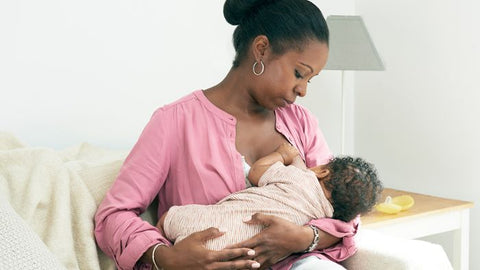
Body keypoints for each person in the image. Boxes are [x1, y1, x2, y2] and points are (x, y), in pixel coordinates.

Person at [94, 0, 360, 269]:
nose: (303, 90)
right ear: (262, 50)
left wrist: (304, 237)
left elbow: (345, 207)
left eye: (309, 80)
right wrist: (166, 257)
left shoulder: (302, 123)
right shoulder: (175, 122)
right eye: (298, 73)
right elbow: (114, 215)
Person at [158, 143, 383, 251]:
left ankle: (160, 241)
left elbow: (257, 172)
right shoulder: (324, 215)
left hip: (209, 224)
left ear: (323, 171)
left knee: (169, 217)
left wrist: (282, 155)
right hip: (237, 252)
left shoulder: (299, 178)